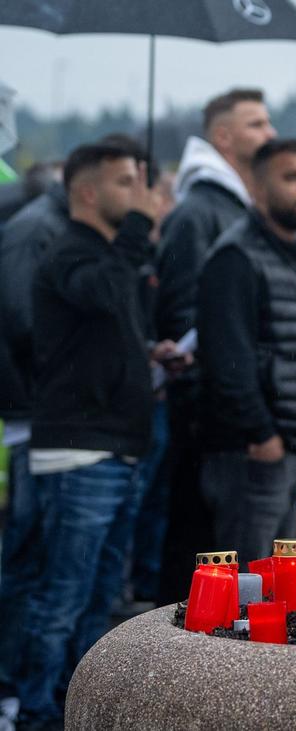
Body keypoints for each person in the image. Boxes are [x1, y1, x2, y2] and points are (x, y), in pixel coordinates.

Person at [15, 141, 173, 726]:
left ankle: (73, 708)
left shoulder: (110, 257)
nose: (141, 194)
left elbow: (104, 331)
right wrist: (139, 226)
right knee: (61, 597)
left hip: (117, 448)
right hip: (79, 455)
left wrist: (151, 355)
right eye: (127, 183)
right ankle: (34, 713)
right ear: (87, 191)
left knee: (97, 598)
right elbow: (99, 291)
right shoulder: (71, 252)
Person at [154, 88, 277, 603]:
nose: (269, 135)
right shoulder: (200, 211)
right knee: (202, 555)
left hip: (236, 404)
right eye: (257, 125)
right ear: (222, 137)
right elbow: (186, 315)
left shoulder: (238, 207)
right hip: (209, 411)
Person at [196, 139, 296, 565]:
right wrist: (261, 434)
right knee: (245, 577)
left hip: (289, 446)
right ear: (256, 188)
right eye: (291, 177)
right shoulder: (236, 256)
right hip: (253, 452)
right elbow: (226, 359)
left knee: (276, 577)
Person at [0, 163, 66, 710]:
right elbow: (24, 321)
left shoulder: (40, 223)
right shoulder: (35, 229)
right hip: (33, 413)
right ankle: (14, 679)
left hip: (35, 408)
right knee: (29, 555)